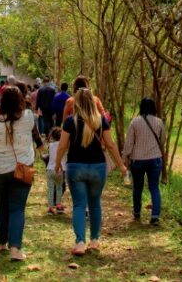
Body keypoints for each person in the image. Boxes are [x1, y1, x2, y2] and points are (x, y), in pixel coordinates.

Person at [54, 87, 126, 256]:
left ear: (76, 103)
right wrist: (121, 165)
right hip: (97, 167)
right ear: (93, 102)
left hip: (75, 167)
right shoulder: (101, 120)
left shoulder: (70, 121)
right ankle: (94, 240)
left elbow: (63, 145)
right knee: (95, 203)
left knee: (79, 204)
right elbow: (110, 145)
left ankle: (80, 242)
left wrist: (57, 163)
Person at [0, 86, 36, 261]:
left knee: (2, 205)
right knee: (17, 208)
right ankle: (15, 249)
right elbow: (31, 127)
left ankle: (2, 242)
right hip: (22, 168)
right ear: (21, 100)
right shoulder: (28, 117)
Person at [123, 98, 165, 225]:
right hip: (155, 159)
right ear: (154, 108)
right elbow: (162, 140)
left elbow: (129, 142)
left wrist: (125, 156)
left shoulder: (135, 122)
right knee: (154, 187)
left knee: (137, 187)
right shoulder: (159, 122)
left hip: (138, 160)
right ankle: (155, 216)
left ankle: (137, 213)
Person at [44, 126, 66, 215]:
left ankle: (50, 207)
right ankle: (58, 205)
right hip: (60, 169)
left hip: (50, 169)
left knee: (50, 188)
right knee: (59, 187)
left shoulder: (50, 145)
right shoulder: (63, 145)